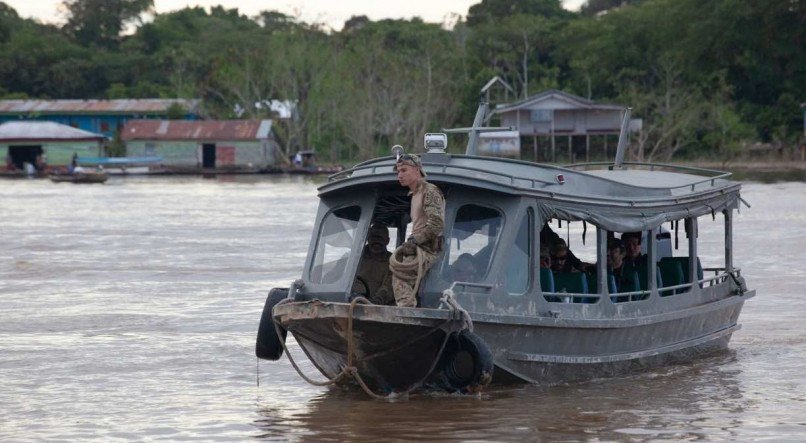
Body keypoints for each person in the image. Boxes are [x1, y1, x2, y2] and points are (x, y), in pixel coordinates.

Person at [388, 154, 445, 307]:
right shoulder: (414, 195)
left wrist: (415, 240)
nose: (399, 175)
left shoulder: (430, 191)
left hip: (427, 250)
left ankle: (406, 313)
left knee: (400, 276)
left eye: (404, 170)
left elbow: (437, 223)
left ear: (417, 170)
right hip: (418, 248)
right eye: (398, 172)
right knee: (395, 269)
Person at [352, 223, 394, 305]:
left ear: (387, 241)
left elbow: (390, 286)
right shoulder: (354, 257)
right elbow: (335, 277)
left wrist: (375, 302)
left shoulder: (393, 262)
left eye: (380, 238)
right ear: (368, 239)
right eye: (373, 238)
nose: (376, 241)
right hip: (350, 303)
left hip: (379, 308)